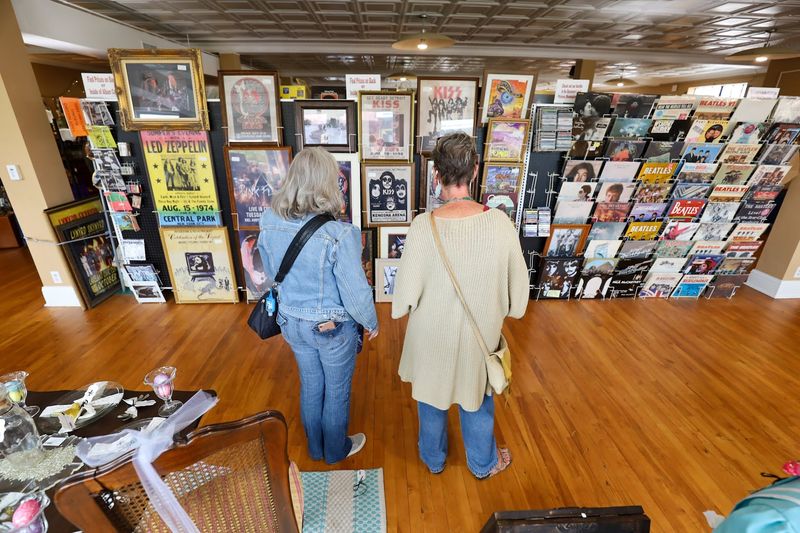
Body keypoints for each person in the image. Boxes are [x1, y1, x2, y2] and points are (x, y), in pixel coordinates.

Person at [391, 133, 529, 479]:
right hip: (478, 338)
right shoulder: (500, 223)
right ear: (476, 170)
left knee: (430, 400)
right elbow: (519, 304)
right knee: (477, 400)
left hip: (430, 338)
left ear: (436, 174)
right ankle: (482, 464)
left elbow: (401, 301)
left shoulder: (422, 227)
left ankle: (433, 459)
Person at [258, 147, 378, 464]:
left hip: (290, 321)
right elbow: (355, 291)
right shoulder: (340, 234)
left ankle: (315, 448)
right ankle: (335, 450)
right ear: (327, 183)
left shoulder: (269, 221)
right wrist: (371, 321)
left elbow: (271, 272)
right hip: (330, 327)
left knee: (311, 384)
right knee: (336, 391)